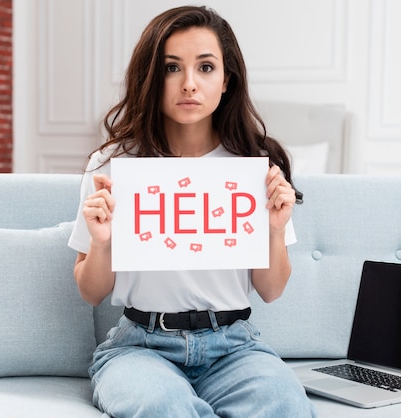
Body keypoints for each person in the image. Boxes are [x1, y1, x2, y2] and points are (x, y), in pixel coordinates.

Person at [68, 5, 316, 417]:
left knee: (286, 404)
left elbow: (271, 290)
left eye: (205, 67)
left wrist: (273, 230)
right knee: (162, 406)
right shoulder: (113, 164)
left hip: (235, 346)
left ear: (226, 81)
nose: (188, 84)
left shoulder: (255, 166)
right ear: (151, 77)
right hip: (141, 347)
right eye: (171, 68)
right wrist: (102, 242)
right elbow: (91, 291)